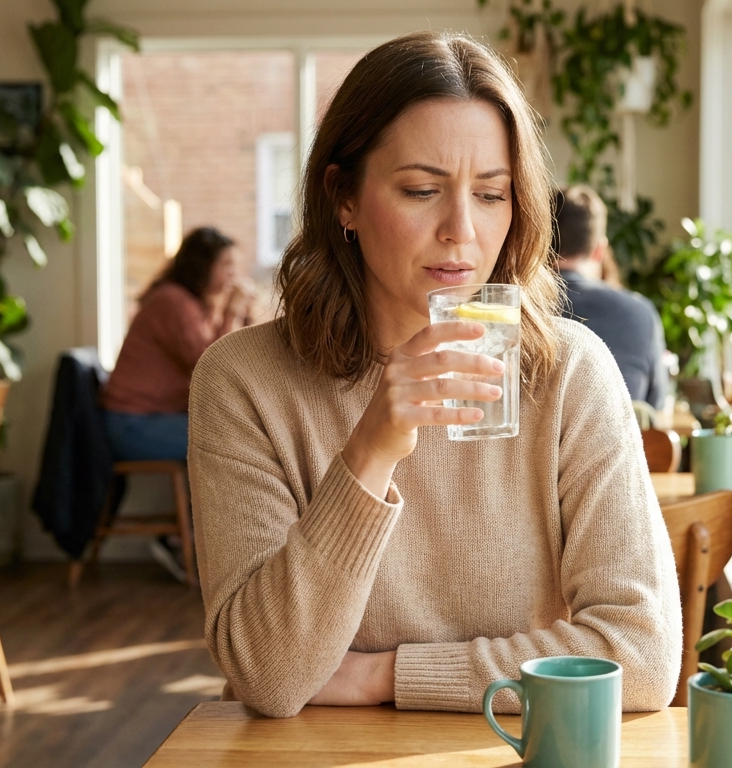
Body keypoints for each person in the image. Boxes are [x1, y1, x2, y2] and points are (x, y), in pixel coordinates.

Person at [188, 32, 681, 719]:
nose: (461, 229)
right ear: (344, 198)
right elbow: (269, 678)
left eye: (490, 194)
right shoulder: (244, 383)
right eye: (421, 190)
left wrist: (383, 677)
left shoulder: (570, 375)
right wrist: (369, 453)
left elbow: (642, 659)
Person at [101, 226, 252, 579]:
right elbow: (213, 366)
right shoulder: (172, 302)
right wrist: (232, 312)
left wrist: (236, 313)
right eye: (225, 265)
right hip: (132, 424)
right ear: (202, 266)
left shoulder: (190, 304)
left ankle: (196, 543)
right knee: (228, 441)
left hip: (146, 419)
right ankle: (181, 542)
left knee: (234, 436)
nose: (233, 275)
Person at [553, 185, 669, 408]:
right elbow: (654, 409)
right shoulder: (641, 314)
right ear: (600, 250)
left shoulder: (516, 308)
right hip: (618, 441)